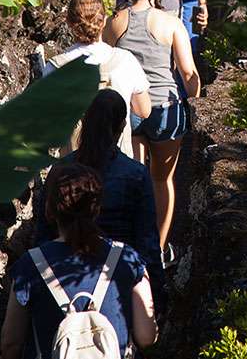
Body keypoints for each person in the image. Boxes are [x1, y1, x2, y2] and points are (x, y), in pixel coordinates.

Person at [1, 163, 158, 359]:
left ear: (50, 210)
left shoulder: (30, 265)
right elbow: (146, 337)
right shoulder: (127, 259)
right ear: (97, 209)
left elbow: (10, 343)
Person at [35, 90, 165, 308]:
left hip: (61, 277)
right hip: (117, 279)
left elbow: (43, 231)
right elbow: (147, 241)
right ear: (122, 126)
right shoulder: (136, 174)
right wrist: (158, 294)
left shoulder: (60, 170)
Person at [103, 0, 200, 255]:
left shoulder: (115, 22)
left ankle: (127, 243)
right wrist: (194, 104)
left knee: (132, 176)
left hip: (128, 109)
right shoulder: (170, 23)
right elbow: (187, 72)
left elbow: (106, 65)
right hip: (165, 110)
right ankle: (157, 247)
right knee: (162, 179)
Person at [43, 0, 151, 154]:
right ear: (104, 20)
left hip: (76, 165)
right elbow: (143, 111)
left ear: (69, 22)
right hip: (118, 162)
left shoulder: (55, 67)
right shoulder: (125, 60)